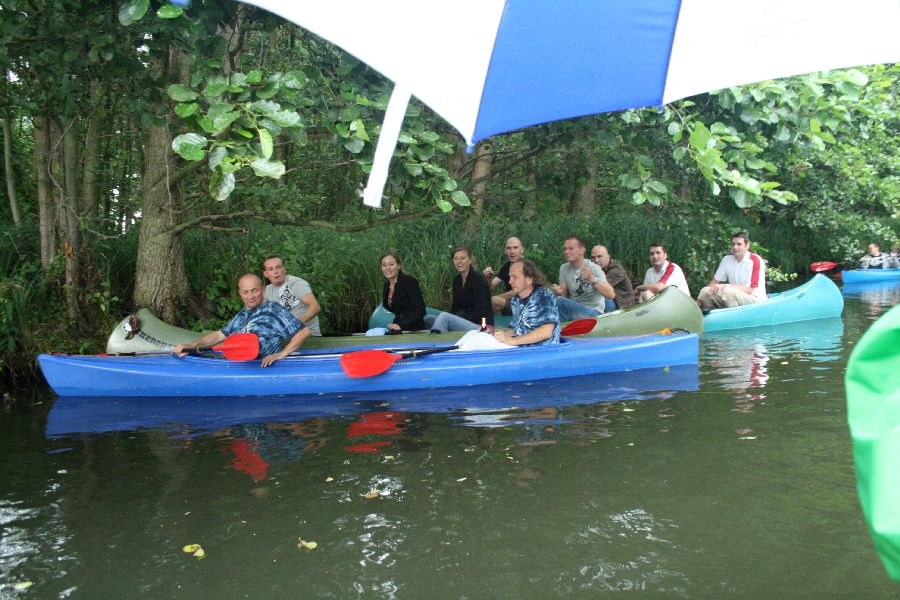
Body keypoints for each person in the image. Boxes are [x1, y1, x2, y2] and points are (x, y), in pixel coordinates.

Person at [174, 273, 310, 367]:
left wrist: (281, 354)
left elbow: (303, 332)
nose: (250, 296)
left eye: (254, 290)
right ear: (240, 293)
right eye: (245, 292)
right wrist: (192, 345)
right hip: (241, 365)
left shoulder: (273, 310)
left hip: (262, 368)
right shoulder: (243, 314)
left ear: (263, 289)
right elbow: (219, 336)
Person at [493, 259, 560, 346]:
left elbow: (546, 332)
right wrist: (497, 336)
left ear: (529, 279)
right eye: (510, 277)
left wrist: (512, 340)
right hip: (524, 349)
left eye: (515, 277)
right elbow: (515, 330)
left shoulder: (543, 295)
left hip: (545, 350)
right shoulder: (515, 300)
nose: (510, 282)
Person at [428, 246, 494, 332]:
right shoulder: (457, 280)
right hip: (464, 320)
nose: (459, 261)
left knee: (444, 317)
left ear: (470, 260)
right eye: (456, 259)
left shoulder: (479, 281)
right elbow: (455, 307)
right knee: (428, 319)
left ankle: (438, 339)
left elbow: (480, 311)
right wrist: (454, 317)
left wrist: (457, 319)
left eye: (462, 258)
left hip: (481, 325)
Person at [697, 231, 767, 310]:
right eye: (733, 244)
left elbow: (750, 290)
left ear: (747, 246)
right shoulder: (727, 259)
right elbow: (714, 282)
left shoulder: (755, 260)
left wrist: (724, 286)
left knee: (728, 292)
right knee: (705, 290)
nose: (735, 247)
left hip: (755, 300)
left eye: (739, 244)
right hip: (733, 297)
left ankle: (734, 316)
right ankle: (704, 312)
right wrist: (704, 295)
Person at [551, 236, 615, 321]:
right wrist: (557, 291)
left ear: (582, 250)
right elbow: (563, 293)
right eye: (565, 249)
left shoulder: (593, 268)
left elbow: (611, 294)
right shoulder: (564, 268)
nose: (566, 252)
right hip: (575, 311)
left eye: (571, 248)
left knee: (559, 301)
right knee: (553, 300)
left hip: (594, 313)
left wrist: (591, 278)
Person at [262, 255, 322, 336]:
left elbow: (315, 307)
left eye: (278, 267)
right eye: (270, 269)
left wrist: (293, 324)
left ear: (284, 269)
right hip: (285, 337)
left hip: (309, 336)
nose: (275, 271)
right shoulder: (267, 290)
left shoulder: (296, 283)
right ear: (265, 274)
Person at [380, 251, 426, 331]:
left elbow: (421, 310)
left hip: (414, 329)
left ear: (398, 266)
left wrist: (402, 325)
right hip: (397, 326)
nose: (387, 268)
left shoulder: (409, 282)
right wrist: (398, 325)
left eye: (391, 264)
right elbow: (391, 308)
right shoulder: (386, 285)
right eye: (384, 265)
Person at [483, 236, 524, 314]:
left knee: (494, 302)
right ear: (505, 251)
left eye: (515, 248)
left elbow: (515, 292)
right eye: (509, 248)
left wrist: (492, 300)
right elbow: (490, 288)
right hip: (513, 305)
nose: (512, 251)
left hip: (527, 307)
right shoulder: (506, 267)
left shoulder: (527, 266)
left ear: (522, 250)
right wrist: (488, 278)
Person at [590, 244, 635, 311]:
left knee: (602, 292)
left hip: (623, 307)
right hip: (613, 302)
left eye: (599, 256)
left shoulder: (616, 270)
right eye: (593, 257)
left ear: (608, 257)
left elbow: (598, 287)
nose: (596, 260)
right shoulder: (599, 269)